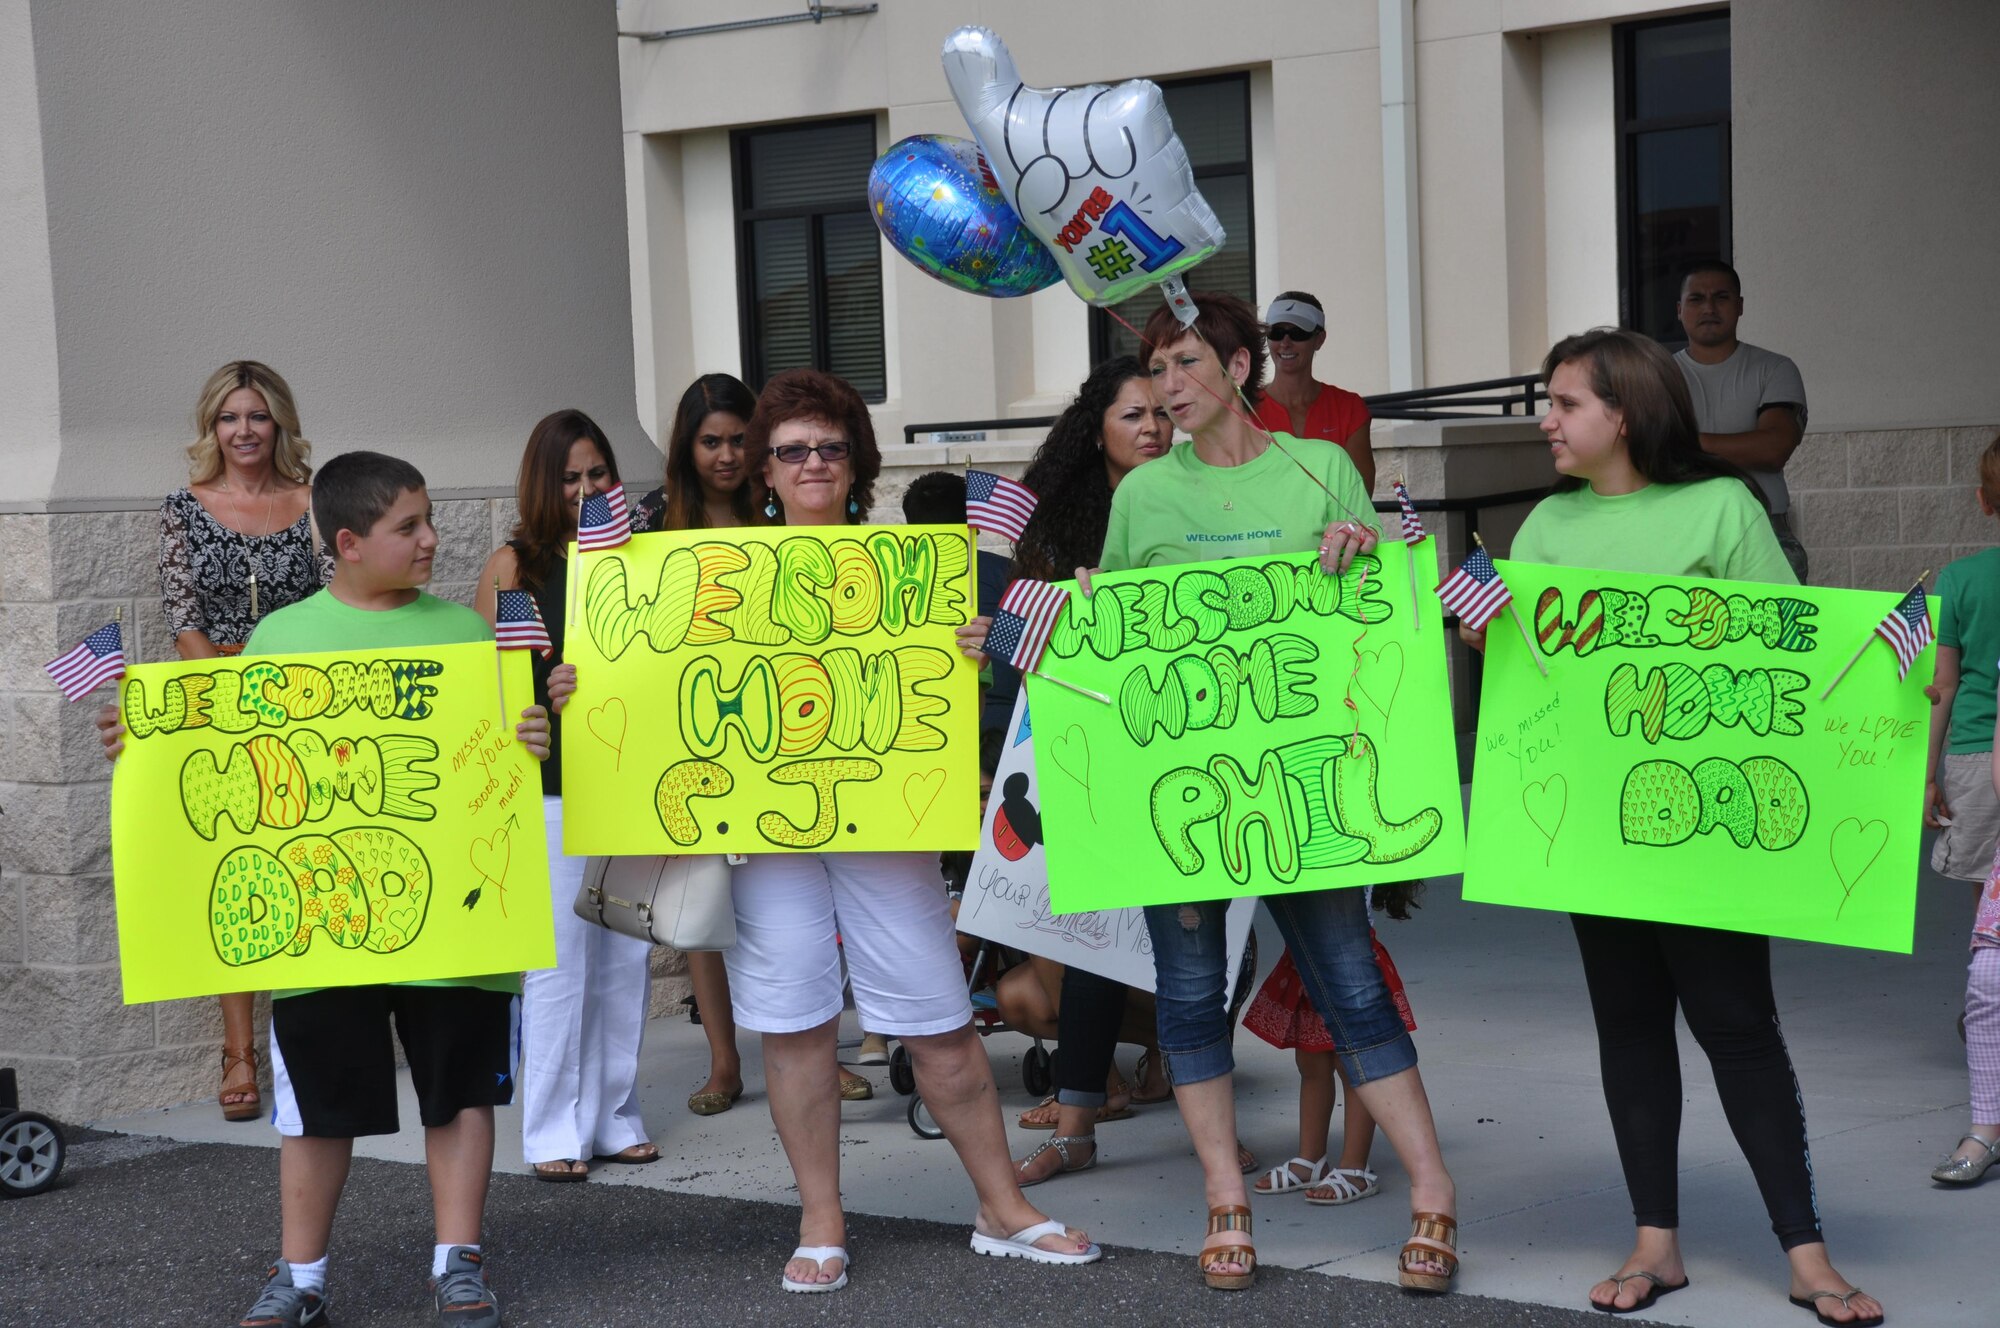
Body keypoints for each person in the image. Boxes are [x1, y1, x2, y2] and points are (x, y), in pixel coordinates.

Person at [1468, 327, 1881, 1325]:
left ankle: (1806, 1252)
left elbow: (1788, 661)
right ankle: (1656, 1240)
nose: (1544, 419)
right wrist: (1489, 635)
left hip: (1706, 828)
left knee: (1737, 1025)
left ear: (1626, 413)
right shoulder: (1542, 530)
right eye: (1547, 401)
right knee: (1627, 1025)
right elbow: (1533, 693)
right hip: (1594, 832)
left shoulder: (1718, 505)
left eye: (1564, 402)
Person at [103, 451, 553, 1328]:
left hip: (454, 926)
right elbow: (227, 760)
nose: (433, 539)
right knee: (316, 1107)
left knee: (458, 1091)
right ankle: (300, 1276)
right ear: (348, 543)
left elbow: (498, 758)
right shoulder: (280, 641)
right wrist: (141, 742)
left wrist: (528, 732)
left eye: (428, 520)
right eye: (409, 528)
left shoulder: (468, 636)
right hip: (322, 926)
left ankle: (458, 1264)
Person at [1088, 292, 1458, 1294]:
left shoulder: (1322, 468)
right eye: (1156, 370)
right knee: (1187, 985)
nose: (1166, 388)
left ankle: (1431, 1191)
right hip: (1188, 791)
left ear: (1241, 366)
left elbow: (1367, 618)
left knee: (1346, 974)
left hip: (1308, 784)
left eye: (1185, 365)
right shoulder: (1141, 500)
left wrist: (1363, 557)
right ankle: (1225, 1197)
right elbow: (1117, 645)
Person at [733, 367, 1099, 1292]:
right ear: (765, 472)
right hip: (767, 833)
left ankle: (1002, 1206)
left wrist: (977, 648)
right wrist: (586, 689)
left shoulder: (914, 570)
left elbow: (970, 694)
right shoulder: (715, 574)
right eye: (792, 450)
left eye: (830, 446)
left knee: (939, 1018)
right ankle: (821, 1218)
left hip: (885, 826)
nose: (813, 462)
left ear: (856, 462)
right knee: (795, 1025)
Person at [628, 373, 874, 1110]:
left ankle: (821, 1059)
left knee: (801, 912)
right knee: (705, 903)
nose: (728, 455)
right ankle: (724, 1060)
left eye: (740, 440)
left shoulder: (786, 517)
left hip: (792, 730)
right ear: (686, 447)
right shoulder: (651, 524)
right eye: (712, 442)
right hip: (698, 733)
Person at [978, 359, 1182, 1186]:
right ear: (1093, 426)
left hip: (1182, 744)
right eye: (1134, 414)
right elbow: (1011, 645)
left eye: (1164, 415)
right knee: (1096, 936)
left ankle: (1191, 1086)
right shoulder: (1055, 525)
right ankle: (1076, 1119)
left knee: (1199, 934)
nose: (1153, 429)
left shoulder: (1200, 502)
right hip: (1088, 752)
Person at [474, 411, 657, 1183]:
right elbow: (490, 695)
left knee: (625, 962)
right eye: (570, 476)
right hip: (549, 792)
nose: (586, 489)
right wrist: (542, 699)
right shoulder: (514, 568)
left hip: (627, 783)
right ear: (541, 483)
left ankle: (615, 1117)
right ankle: (552, 1129)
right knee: (560, 966)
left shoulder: (639, 561)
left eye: (598, 473)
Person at [159, 361, 332, 1122]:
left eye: (257, 416)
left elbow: (336, 598)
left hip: (307, 709)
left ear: (280, 423)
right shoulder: (181, 508)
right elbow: (184, 616)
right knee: (240, 876)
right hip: (220, 711)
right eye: (230, 418)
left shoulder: (315, 501)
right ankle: (238, 1052)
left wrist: (287, 691)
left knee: (312, 866)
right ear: (211, 428)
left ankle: (316, 1040)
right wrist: (237, 695)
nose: (245, 431)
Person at [1926, 433, 2000, 1187]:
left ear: (1984, 502)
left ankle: (1988, 1009)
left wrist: (1926, 776)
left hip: (1977, 751)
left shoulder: (1962, 578)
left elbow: (1944, 687)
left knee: (1990, 896)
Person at [1246, 886, 1421, 1207]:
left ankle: (1356, 1166)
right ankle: (1311, 1158)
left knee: (1354, 1066)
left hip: (1346, 962)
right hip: (1303, 958)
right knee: (1311, 1064)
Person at [1673, 261, 1810, 582]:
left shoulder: (1775, 369)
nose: (1709, 307)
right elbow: (1643, 448)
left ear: (1740, 306)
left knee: (1776, 628)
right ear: (1679, 310)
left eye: (1721, 297)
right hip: (1681, 524)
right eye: (1696, 299)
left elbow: (1773, 448)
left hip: (1763, 523)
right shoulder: (1658, 376)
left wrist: (1680, 442)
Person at [901, 470, 1017, 736]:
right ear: (974, 523)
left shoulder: (897, 584)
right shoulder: (1011, 576)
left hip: (927, 727)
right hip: (1008, 726)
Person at [1252, 292, 1375, 494]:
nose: (1285, 342)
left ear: (1319, 339)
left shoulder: (1349, 408)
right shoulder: (1246, 406)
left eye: (1298, 332)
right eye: (1276, 332)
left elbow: (1359, 494)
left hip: (1333, 525)